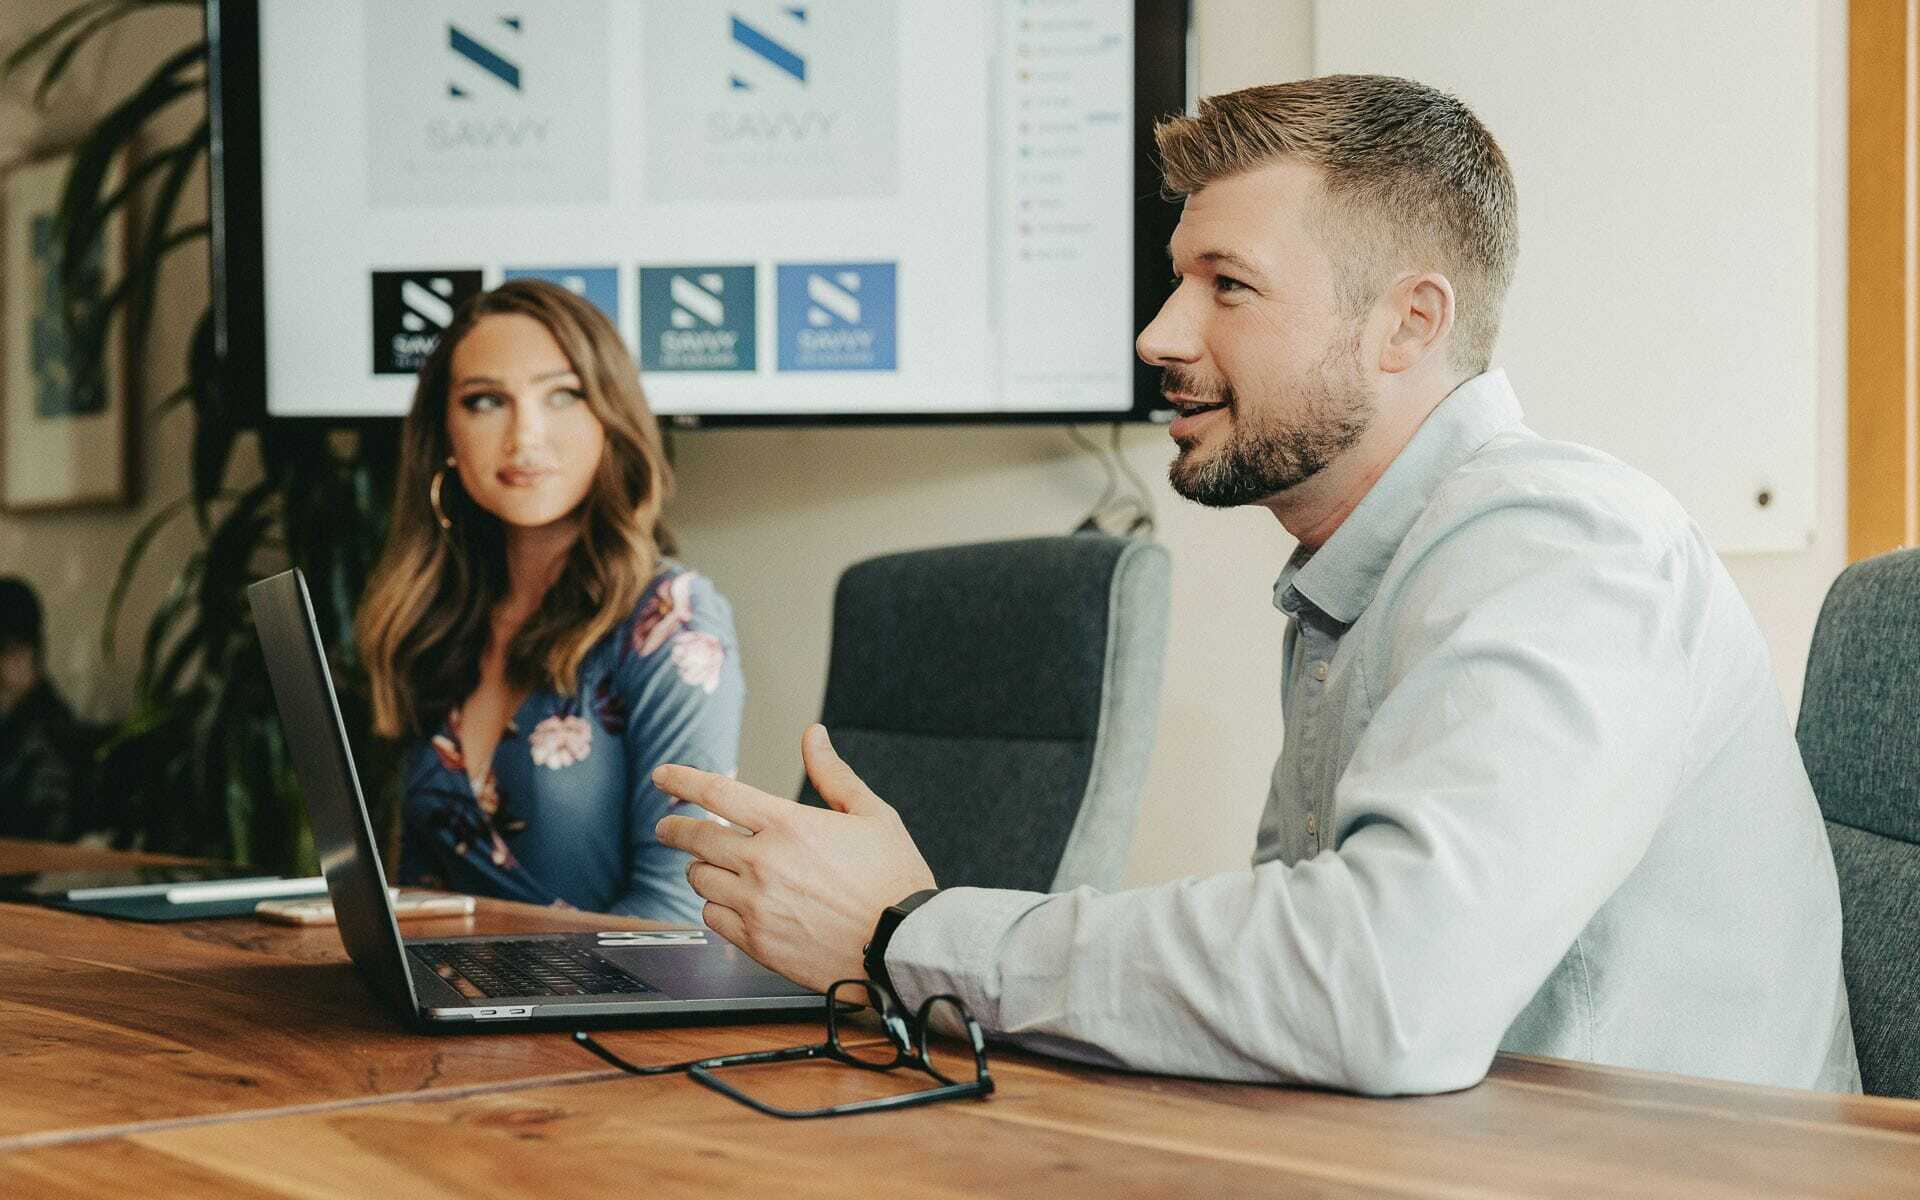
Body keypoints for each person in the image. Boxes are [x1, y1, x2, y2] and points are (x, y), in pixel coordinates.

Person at [649, 76, 1861, 1095]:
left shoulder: (1565, 547)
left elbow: (1383, 988)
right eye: (1179, 281)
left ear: (1408, 324)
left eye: (1227, 285)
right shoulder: (1361, 577)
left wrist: (910, 932)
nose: (1160, 337)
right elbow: (1303, 969)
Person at [356, 279, 739, 921]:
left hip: (604, 1009)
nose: (523, 437)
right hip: (444, 1000)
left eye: (562, 395)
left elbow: (678, 910)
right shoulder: (433, 619)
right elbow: (409, 889)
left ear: (610, 419)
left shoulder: (672, 618)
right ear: (445, 433)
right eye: (485, 401)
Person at [0, 576, 80, 841]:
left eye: (8, 650)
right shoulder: (13, 719)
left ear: (33, 650)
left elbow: (48, 832)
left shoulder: (51, 734)